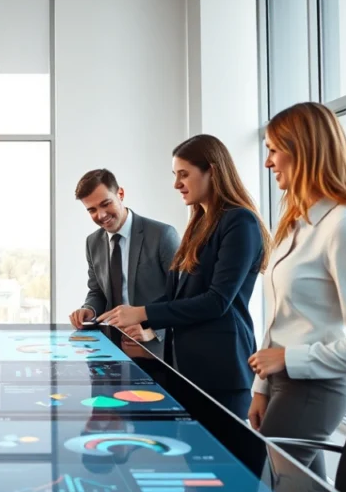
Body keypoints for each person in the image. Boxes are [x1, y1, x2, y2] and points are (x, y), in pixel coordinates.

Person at [247, 102, 346, 478]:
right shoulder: (297, 222)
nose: (267, 162)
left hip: (312, 391)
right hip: (283, 386)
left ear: (303, 150)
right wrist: (262, 387)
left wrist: (286, 359)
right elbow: (281, 318)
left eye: (273, 150)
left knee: (262, 486)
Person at [100, 134, 271, 418]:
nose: (176, 184)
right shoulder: (199, 224)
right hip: (186, 369)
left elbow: (217, 301)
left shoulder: (240, 221)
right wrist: (138, 320)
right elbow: (178, 296)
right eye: (175, 175)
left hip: (221, 371)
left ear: (212, 171)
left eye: (184, 174)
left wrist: (142, 313)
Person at [68, 169, 180, 359]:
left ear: (120, 194)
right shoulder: (92, 242)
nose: (101, 215)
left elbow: (182, 295)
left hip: (155, 351)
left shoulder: (163, 235)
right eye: (92, 210)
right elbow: (97, 292)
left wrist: (152, 329)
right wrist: (89, 310)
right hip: (109, 351)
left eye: (105, 204)